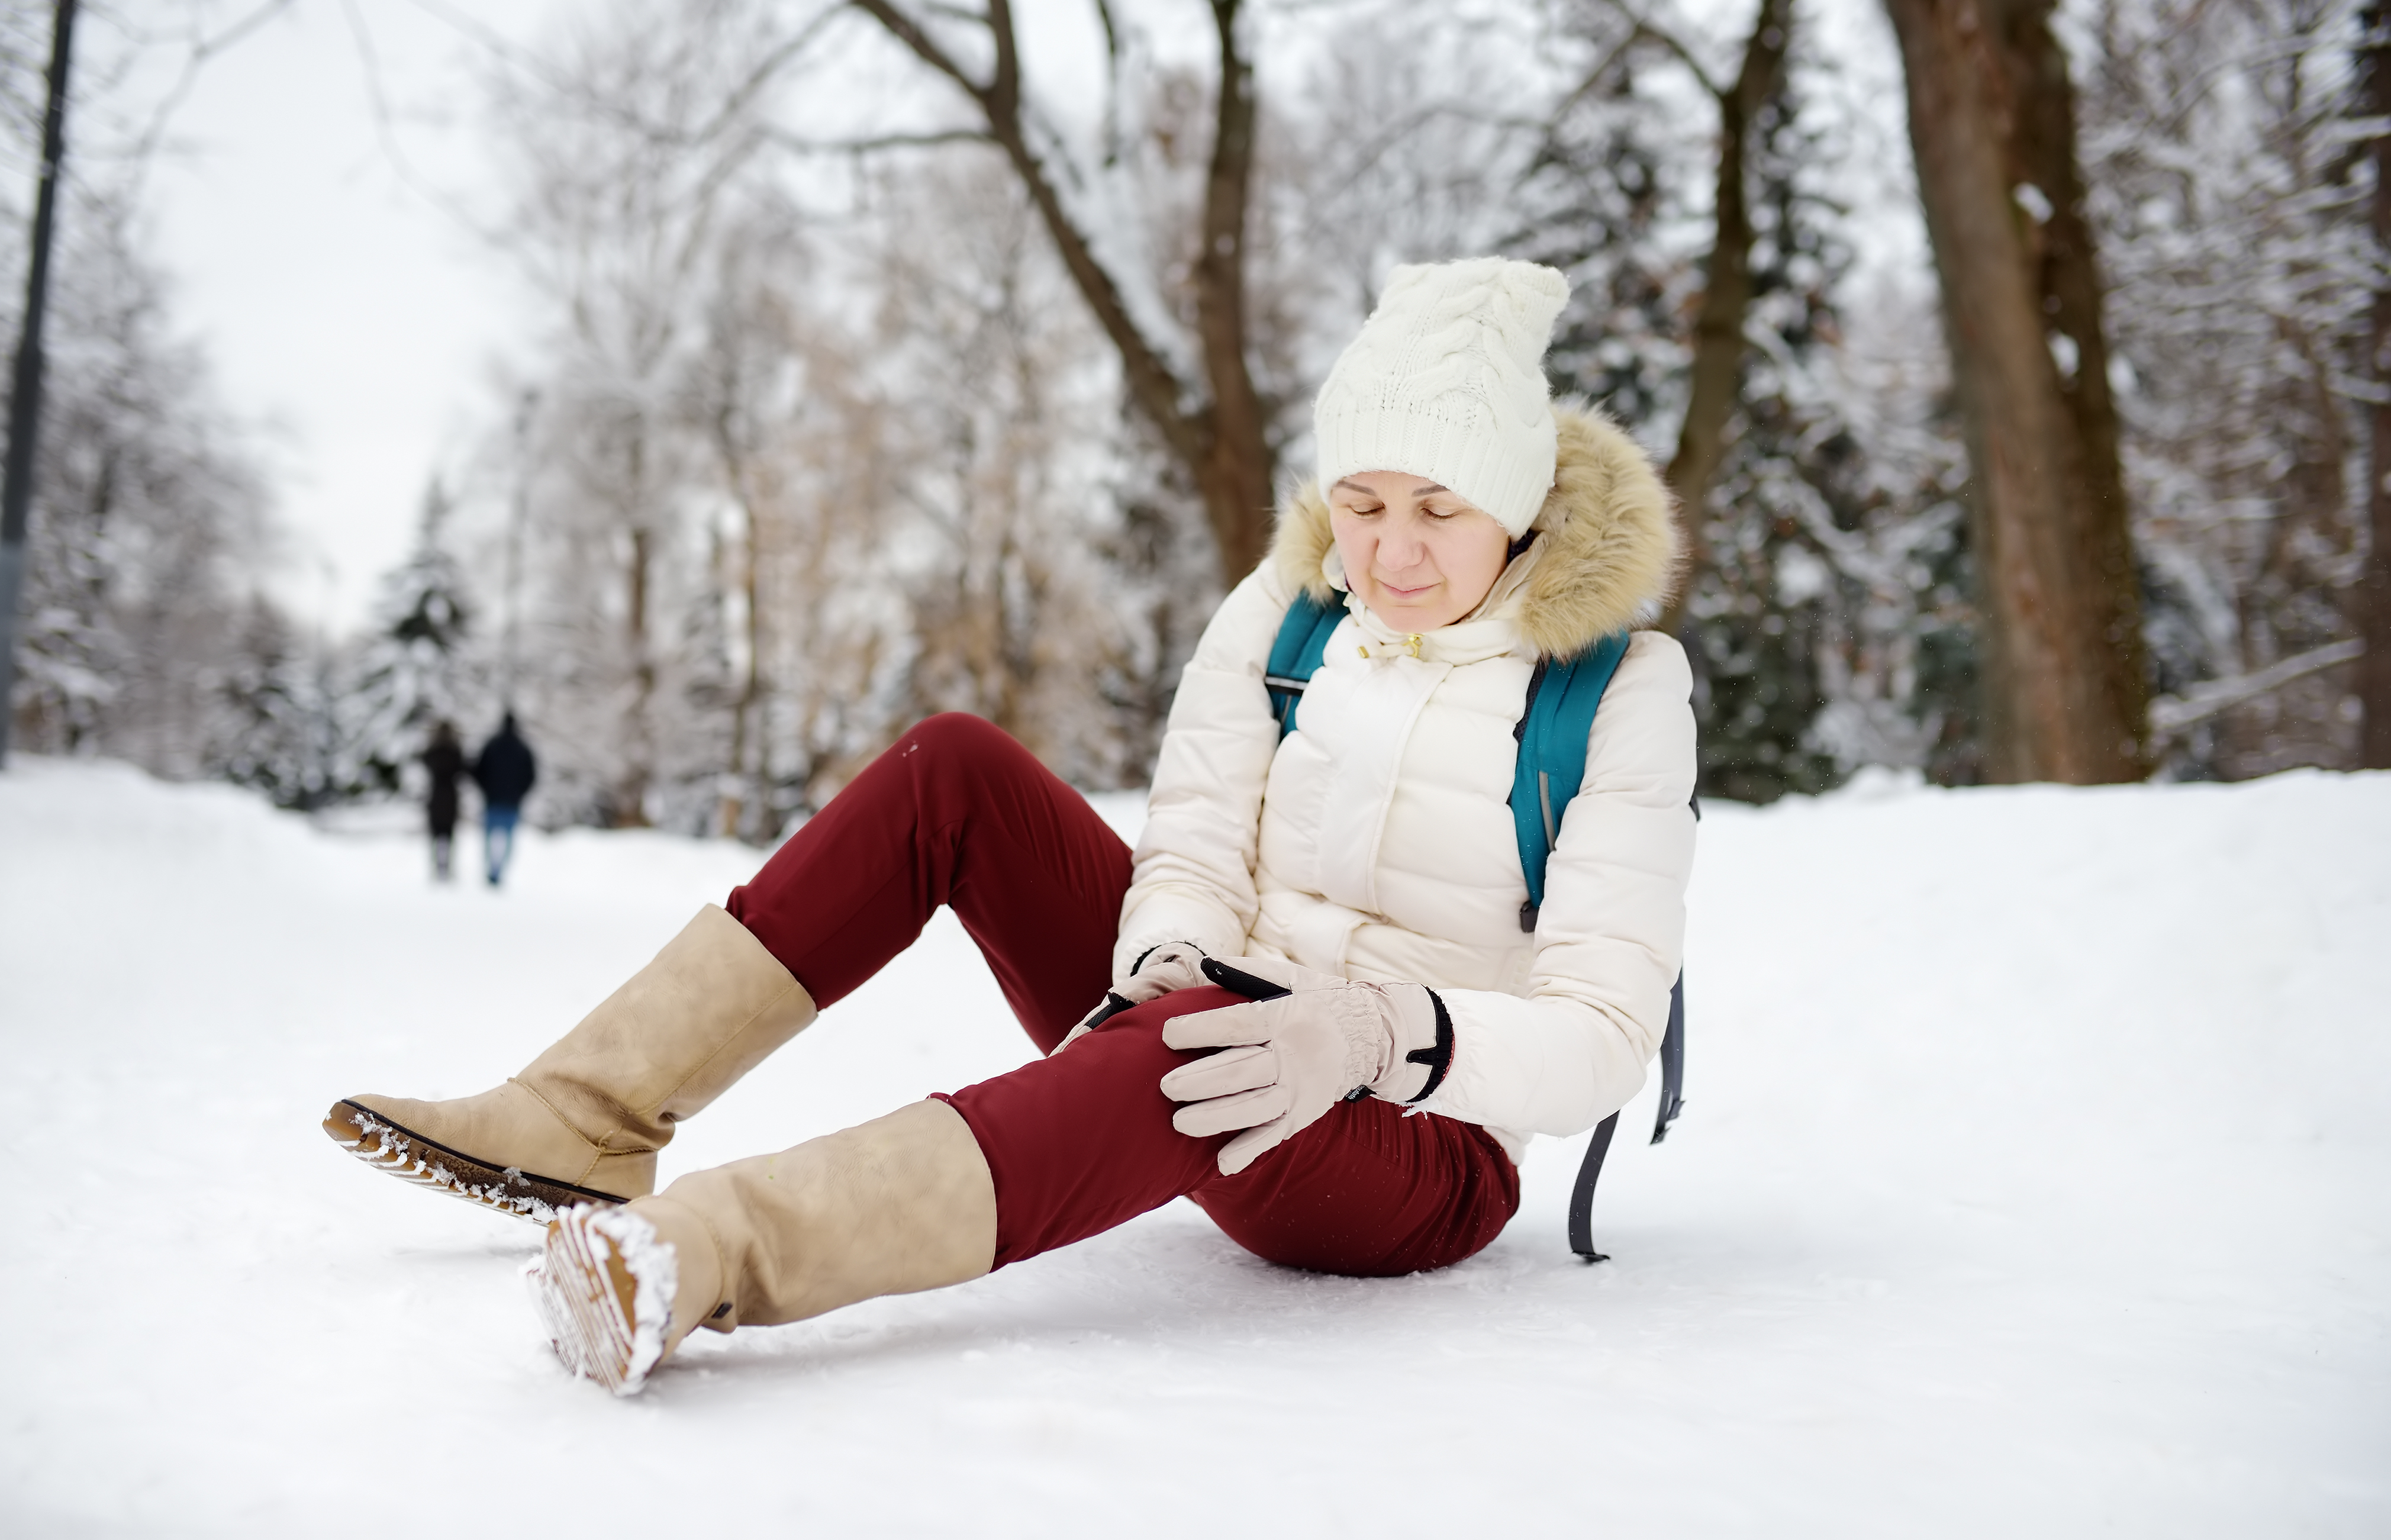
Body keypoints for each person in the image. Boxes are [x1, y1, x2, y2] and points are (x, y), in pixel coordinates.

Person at [324, 257, 1695, 1396]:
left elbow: (1600, 1031)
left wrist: (1376, 1032)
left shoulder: (1619, 691)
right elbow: (1196, 845)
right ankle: (586, 1116)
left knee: (1183, 1049)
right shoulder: (1287, 612)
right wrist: (1171, 947)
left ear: (1515, 502)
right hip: (1218, 1017)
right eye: (1363, 500)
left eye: (1438, 509)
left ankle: (705, 1253)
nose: (1389, 548)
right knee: (955, 768)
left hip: (1417, 1135)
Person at [471, 713, 537, 887]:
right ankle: (500, 872)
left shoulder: (492, 745)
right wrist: (519, 794)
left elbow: (478, 771)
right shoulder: (523, 748)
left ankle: (491, 870)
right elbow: (531, 777)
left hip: (492, 801)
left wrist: (487, 791)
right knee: (508, 841)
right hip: (511, 803)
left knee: (488, 839)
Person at [422, 720, 467, 882]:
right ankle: (448, 868)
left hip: (435, 797)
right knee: (449, 836)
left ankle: (436, 867)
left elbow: (424, 762)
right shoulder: (455, 752)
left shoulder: (432, 752)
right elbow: (463, 770)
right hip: (450, 798)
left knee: (435, 836)